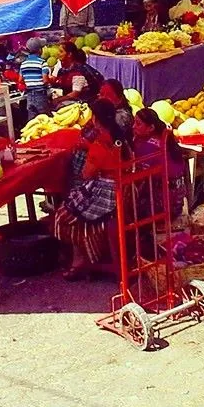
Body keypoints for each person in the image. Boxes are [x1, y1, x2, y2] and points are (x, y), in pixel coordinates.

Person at [51, 98, 126, 279]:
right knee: (74, 202)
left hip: (109, 195)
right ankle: (81, 258)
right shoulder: (121, 137)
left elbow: (87, 174)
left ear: (96, 119)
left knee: (63, 214)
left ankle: (81, 260)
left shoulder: (99, 145)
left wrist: (90, 151)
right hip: (126, 188)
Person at [133, 106, 187, 218]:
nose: (133, 127)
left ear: (151, 128)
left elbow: (139, 178)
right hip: (176, 203)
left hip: (163, 207)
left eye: (138, 124)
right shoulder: (165, 139)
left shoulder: (148, 147)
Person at [49, 42, 101, 107]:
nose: (58, 53)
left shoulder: (78, 70)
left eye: (61, 51)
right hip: (71, 99)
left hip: (84, 102)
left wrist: (58, 100)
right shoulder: (62, 70)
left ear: (69, 54)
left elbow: (75, 93)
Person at [20, 37, 50, 120]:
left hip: (29, 95)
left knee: (32, 121)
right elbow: (45, 80)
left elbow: (20, 80)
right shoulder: (42, 62)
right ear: (40, 50)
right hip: (40, 95)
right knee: (45, 119)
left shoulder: (23, 64)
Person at [98, 78, 134, 144]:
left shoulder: (122, 116)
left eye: (108, 95)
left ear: (119, 99)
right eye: (101, 94)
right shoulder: (101, 112)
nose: (103, 98)